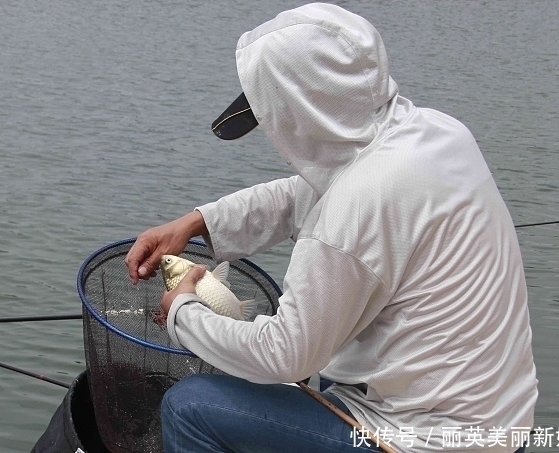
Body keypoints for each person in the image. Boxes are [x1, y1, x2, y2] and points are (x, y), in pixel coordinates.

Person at [125, 3, 537, 453]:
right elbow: (300, 194)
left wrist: (183, 312)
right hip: (499, 421)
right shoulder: (434, 132)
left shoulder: (357, 205)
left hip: (415, 440)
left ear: (300, 113)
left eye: (270, 115)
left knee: (190, 408)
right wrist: (198, 221)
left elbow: (282, 356)